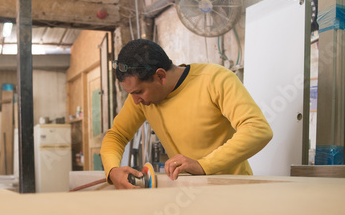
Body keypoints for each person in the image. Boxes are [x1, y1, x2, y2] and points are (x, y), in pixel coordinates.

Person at [100, 39, 273, 189]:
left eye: (139, 92)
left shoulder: (214, 79)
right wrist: (113, 170)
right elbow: (117, 135)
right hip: (186, 194)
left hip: (233, 190)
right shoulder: (140, 100)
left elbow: (257, 129)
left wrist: (204, 165)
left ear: (160, 76)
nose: (135, 100)